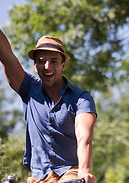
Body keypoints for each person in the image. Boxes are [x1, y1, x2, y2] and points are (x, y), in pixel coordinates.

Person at [0, 30, 97, 183]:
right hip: (38, 176)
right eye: (41, 61)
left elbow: (84, 137)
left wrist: (84, 171)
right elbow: (6, 55)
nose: (47, 66)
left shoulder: (80, 98)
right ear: (35, 65)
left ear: (63, 65)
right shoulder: (28, 89)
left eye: (53, 61)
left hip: (70, 173)